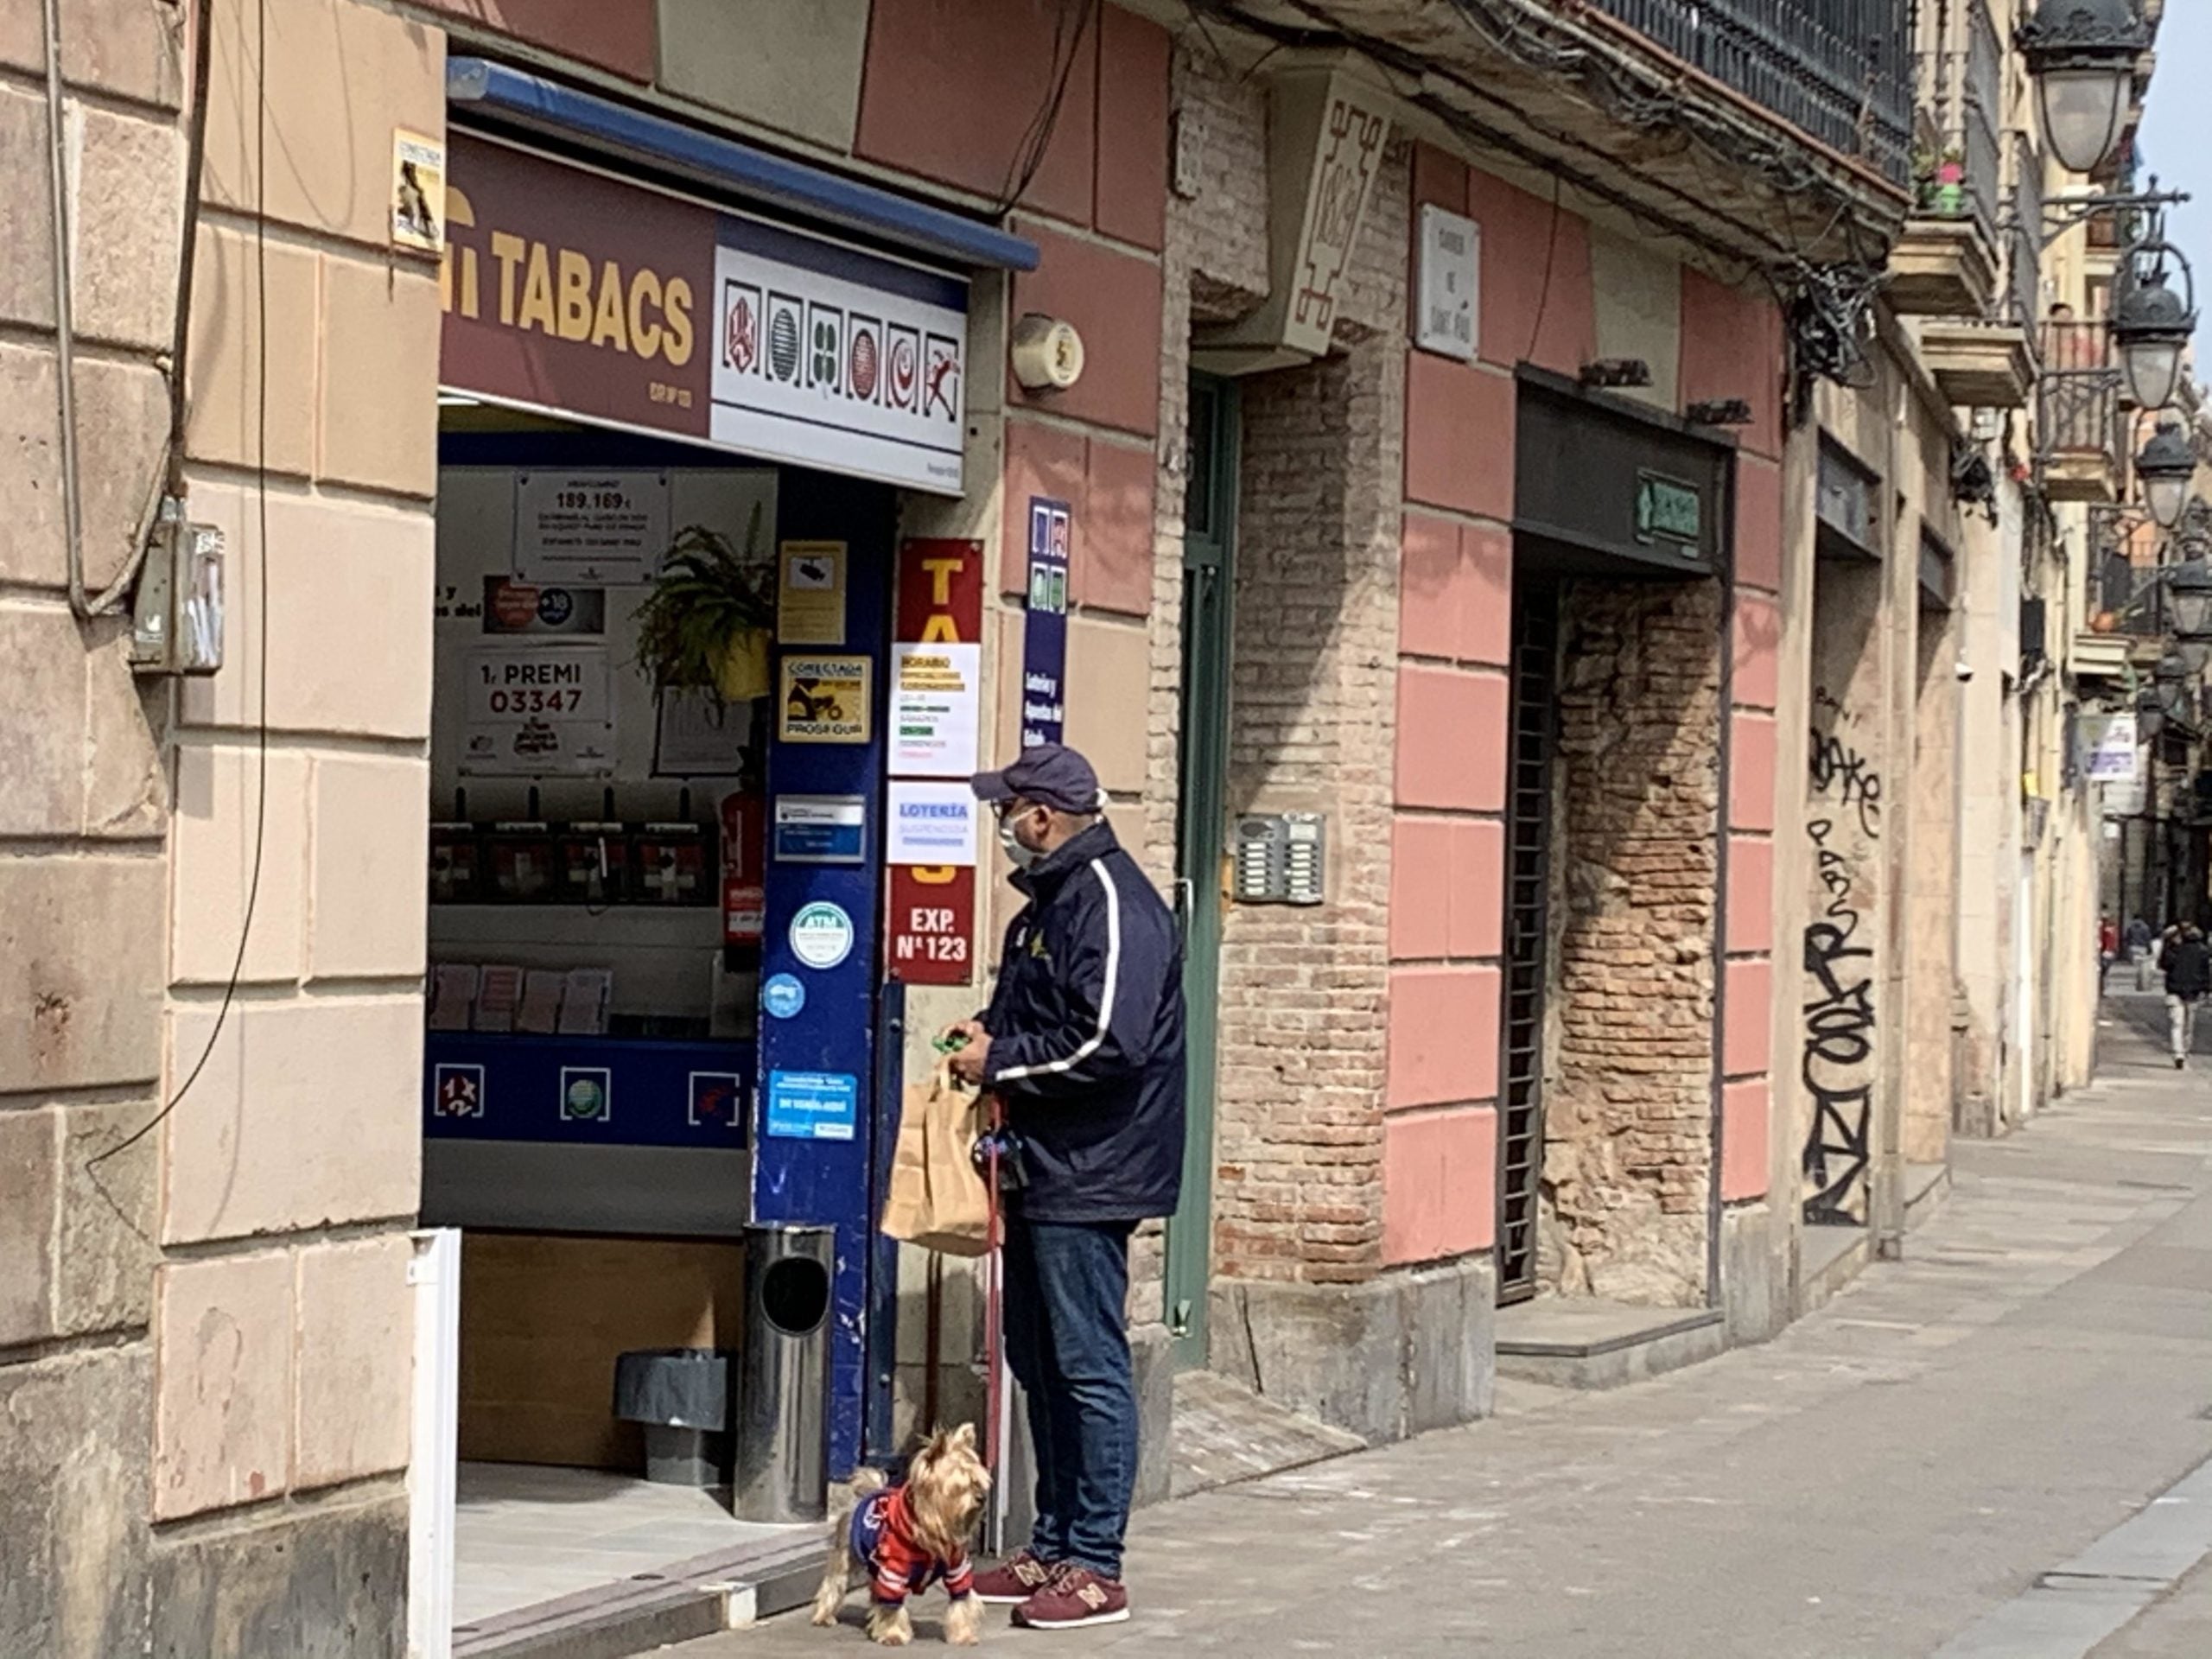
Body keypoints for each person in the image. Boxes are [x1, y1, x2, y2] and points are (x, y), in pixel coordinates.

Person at [944, 742, 1185, 1632]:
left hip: (1094, 1169)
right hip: (1038, 1162)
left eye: (1007, 811)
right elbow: (1039, 1013)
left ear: (1042, 816)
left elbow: (1108, 1045)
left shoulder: (1113, 904)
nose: (1001, 826)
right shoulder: (1045, 906)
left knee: (1086, 1364)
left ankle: (1096, 1563)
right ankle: (1051, 1541)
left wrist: (999, 1056)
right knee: (1036, 1359)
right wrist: (988, 1028)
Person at [2164, 921, 2211, 1069]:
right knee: (2189, 1025)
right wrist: (2207, 989)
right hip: (2194, 992)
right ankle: (2185, 1051)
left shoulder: (2175, 950)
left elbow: (2164, 965)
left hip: (2174, 990)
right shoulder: (2203, 951)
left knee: (2177, 1024)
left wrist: (2168, 943)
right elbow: (2206, 973)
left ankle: (2178, 1053)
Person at [2101, 914, 2120, 993]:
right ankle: (2103, 988)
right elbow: (2113, 942)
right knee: (2105, 972)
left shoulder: (2105, 930)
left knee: (2104, 972)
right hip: (2109, 952)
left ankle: (2103, 988)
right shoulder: (2112, 931)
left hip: (2106, 951)